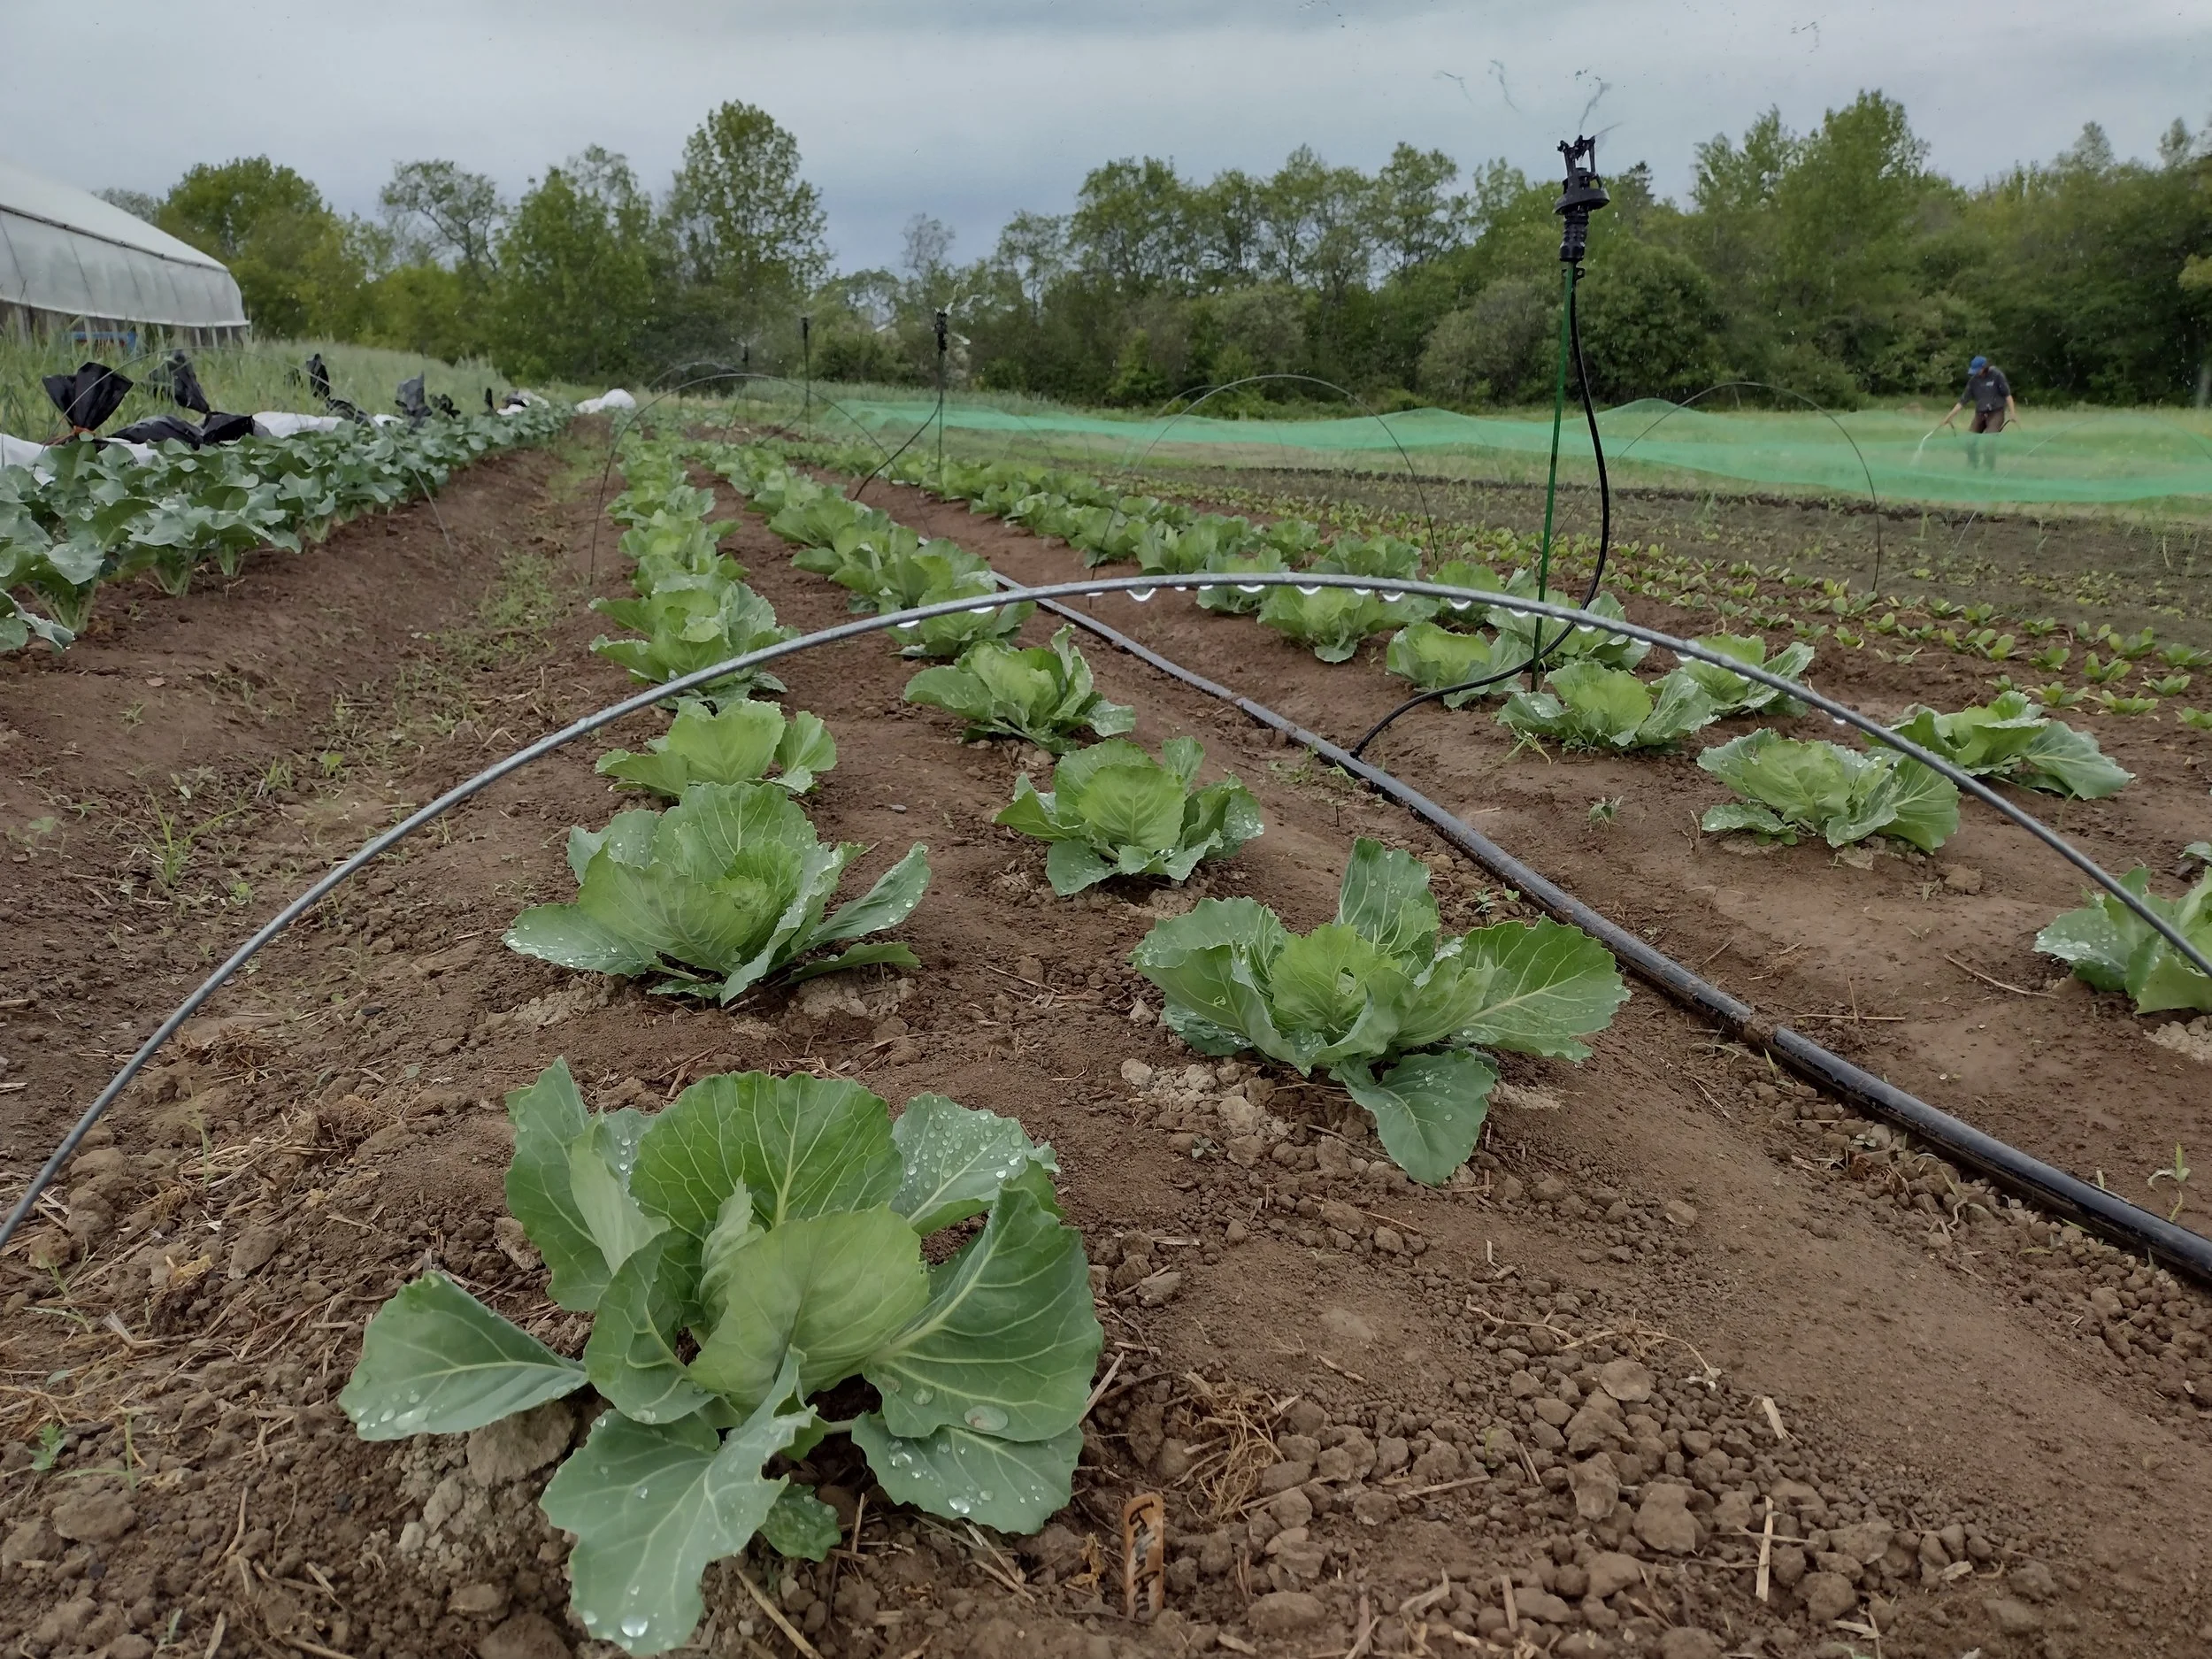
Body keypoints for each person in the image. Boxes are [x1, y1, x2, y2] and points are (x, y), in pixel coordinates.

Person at [1939, 356, 2020, 471]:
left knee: (1989, 440)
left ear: (1984, 367)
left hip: (1996, 412)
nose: (1976, 373)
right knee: (1970, 439)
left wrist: (2013, 413)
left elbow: (2008, 395)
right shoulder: (1973, 381)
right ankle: (1973, 465)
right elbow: (1962, 402)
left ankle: (1988, 468)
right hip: (1980, 413)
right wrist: (1948, 418)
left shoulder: (1997, 375)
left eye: (1978, 370)